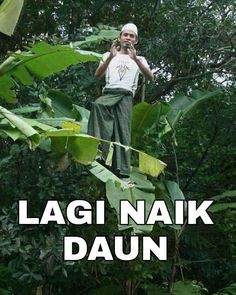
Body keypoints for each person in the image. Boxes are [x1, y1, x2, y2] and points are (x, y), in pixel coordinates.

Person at [88, 23, 153, 177]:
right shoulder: (108, 55)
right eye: (125, 35)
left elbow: (150, 77)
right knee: (97, 106)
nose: (128, 38)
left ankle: (121, 169)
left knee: (123, 131)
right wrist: (110, 57)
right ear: (120, 37)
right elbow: (98, 75)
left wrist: (135, 59)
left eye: (131, 36)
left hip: (126, 96)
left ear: (135, 40)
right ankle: (100, 153)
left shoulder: (140, 59)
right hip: (109, 92)